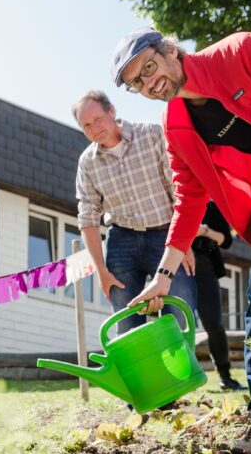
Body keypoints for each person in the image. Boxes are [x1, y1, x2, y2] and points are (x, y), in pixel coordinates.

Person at [112, 27, 251, 454]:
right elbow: (189, 197)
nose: (149, 83)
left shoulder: (242, 52)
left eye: (149, 67)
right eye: (138, 82)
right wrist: (163, 275)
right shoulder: (175, 124)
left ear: (170, 49)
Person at [72, 90, 197, 333]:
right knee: (127, 323)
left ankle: (180, 371)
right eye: (86, 125)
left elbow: (177, 187)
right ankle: (137, 371)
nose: (94, 128)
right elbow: (87, 217)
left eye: (97, 119)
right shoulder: (87, 162)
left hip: (166, 235)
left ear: (111, 111)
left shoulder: (150, 134)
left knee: (180, 310)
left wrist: (184, 242)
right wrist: (102, 272)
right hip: (122, 243)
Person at [192, 202, 245, 391]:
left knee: (214, 323)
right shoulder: (171, 195)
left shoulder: (212, 206)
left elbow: (227, 241)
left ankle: (225, 376)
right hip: (177, 265)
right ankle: (180, 380)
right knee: (178, 324)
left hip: (205, 265)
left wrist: (204, 231)